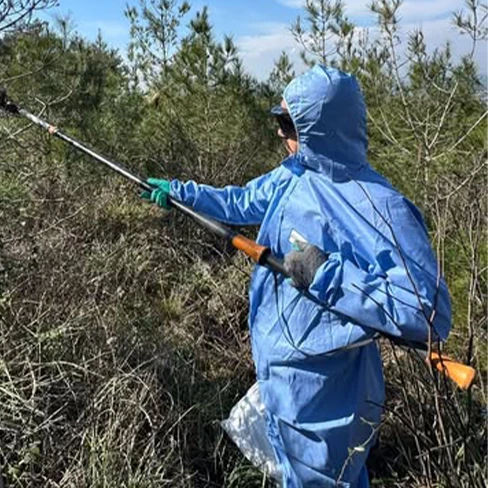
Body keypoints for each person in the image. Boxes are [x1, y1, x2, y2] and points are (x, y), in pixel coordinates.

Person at [139, 65, 452, 487]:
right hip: (279, 374)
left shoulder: (381, 206)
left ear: (320, 127)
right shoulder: (294, 174)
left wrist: (327, 274)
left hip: (327, 397)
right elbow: (241, 202)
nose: (280, 134)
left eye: (288, 124)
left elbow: (428, 311)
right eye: (279, 121)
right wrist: (181, 194)